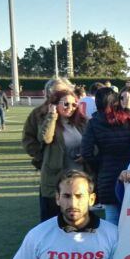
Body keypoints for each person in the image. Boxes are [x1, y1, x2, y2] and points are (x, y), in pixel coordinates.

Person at [81, 86, 130, 225]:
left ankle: (112, 247)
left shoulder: (93, 123)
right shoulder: (129, 119)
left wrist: (100, 163)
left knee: (111, 219)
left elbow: (86, 152)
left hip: (107, 174)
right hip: (129, 171)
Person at [38, 88, 88, 221]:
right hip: (54, 178)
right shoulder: (47, 120)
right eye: (65, 104)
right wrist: (52, 116)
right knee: (52, 221)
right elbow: (46, 138)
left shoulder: (82, 123)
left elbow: (91, 144)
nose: (70, 108)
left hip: (77, 178)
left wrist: (86, 155)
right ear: (54, 104)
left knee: (76, 219)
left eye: (74, 104)